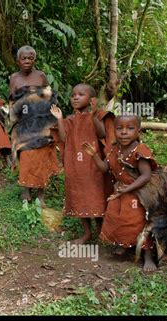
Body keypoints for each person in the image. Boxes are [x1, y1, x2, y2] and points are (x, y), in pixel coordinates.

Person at [82, 114, 160, 271]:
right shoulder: (113, 149)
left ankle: (148, 256)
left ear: (138, 131)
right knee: (117, 218)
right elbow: (104, 168)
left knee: (137, 222)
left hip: (139, 194)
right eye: (119, 128)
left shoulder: (140, 150)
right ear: (114, 130)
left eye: (130, 128)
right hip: (120, 192)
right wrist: (94, 155)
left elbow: (146, 175)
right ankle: (125, 245)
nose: (124, 132)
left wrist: (127, 189)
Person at [51, 84, 107, 244]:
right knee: (79, 197)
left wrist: (94, 114)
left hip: (93, 164)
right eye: (73, 94)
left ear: (91, 100)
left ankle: (102, 232)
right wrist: (59, 119)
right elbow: (63, 138)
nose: (75, 97)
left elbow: (102, 133)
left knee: (95, 196)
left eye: (81, 94)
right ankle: (87, 233)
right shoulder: (71, 119)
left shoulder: (95, 116)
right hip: (75, 165)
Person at [9, 46, 60, 204]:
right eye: (24, 58)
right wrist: (12, 121)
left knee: (41, 155)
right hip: (24, 123)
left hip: (41, 120)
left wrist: (53, 116)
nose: (27, 61)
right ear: (18, 61)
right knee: (25, 155)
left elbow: (48, 96)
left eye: (30, 58)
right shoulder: (14, 78)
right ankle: (26, 190)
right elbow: (12, 100)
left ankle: (40, 193)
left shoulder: (41, 76)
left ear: (34, 60)